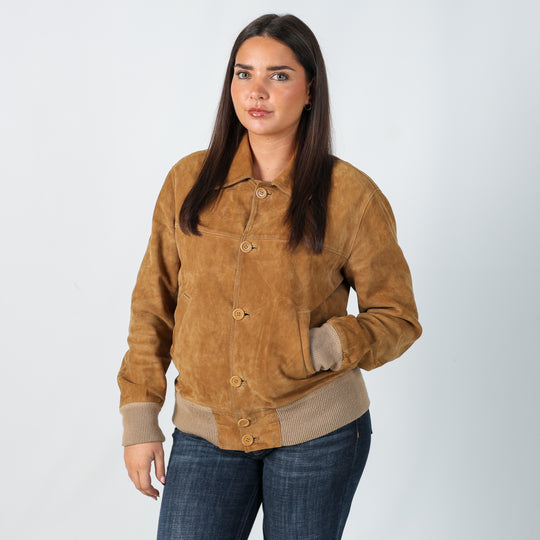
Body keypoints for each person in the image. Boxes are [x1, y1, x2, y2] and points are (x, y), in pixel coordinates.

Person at [118, 13, 421, 540]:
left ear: (310, 91)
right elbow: (153, 305)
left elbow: (398, 317)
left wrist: (322, 346)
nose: (256, 91)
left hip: (318, 432)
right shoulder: (188, 181)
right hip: (205, 431)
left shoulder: (351, 195)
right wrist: (140, 419)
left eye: (279, 75)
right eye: (244, 73)